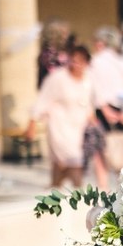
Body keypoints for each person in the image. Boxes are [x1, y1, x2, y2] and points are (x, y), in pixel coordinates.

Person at [25, 45, 96, 188]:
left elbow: (87, 103)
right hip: (59, 126)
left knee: (62, 162)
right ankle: (79, 190)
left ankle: (54, 185)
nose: (76, 64)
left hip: (78, 128)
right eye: (73, 60)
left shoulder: (88, 80)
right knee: (74, 160)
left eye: (80, 61)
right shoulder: (58, 78)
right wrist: (32, 123)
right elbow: (43, 100)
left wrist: (93, 121)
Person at [87, 26, 123, 187]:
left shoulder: (96, 61)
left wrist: (104, 109)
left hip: (103, 108)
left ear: (101, 43)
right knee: (121, 150)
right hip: (121, 109)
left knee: (101, 154)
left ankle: (103, 188)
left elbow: (94, 88)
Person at [37, 18, 71, 87]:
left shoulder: (62, 52)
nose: (66, 37)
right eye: (64, 33)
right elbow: (55, 75)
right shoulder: (47, 55)